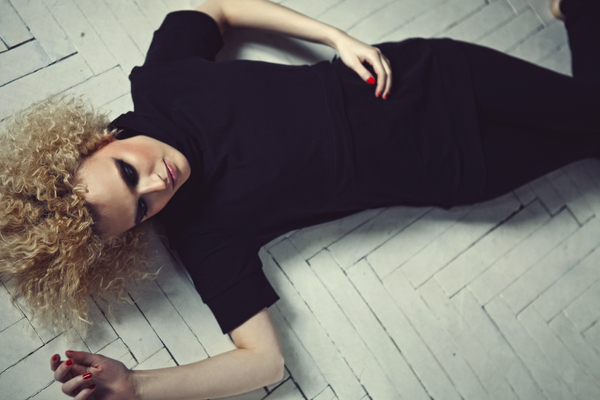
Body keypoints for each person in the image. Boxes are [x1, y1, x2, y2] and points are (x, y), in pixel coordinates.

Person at [0, 0, 598, 398]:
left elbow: (219, 7)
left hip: (431, 76)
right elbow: (264, 362)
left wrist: (336, 37)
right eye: (143, 209)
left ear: (100, 142)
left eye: (130, 174)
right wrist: (137, 385)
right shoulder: (204, 234)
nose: (159, 185)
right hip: (460, 171)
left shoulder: (163, 81)